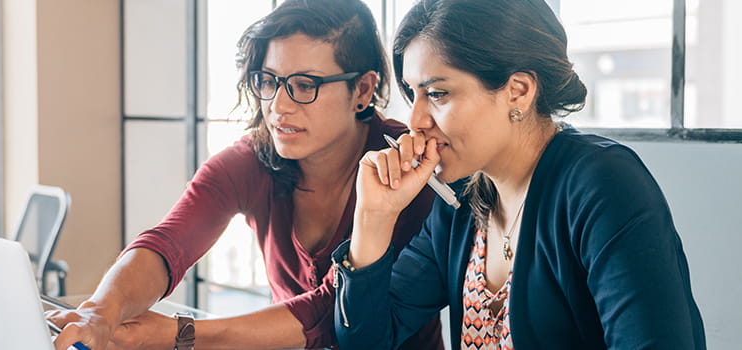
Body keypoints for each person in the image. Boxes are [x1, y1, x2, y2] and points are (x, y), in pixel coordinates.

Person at [46, 0, 445, 349]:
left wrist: (178, 335)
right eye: (269, 81)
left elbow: (330, 314)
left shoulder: (407, 166)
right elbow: (168, 242)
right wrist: (100, 311)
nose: (278, 107)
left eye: (304, 85)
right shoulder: (253, 159)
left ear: (362, 89)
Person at [332, 0, 707, 349]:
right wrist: (373, 218)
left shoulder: (604, 185)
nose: (414, 122)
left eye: (438, 94)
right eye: (413, 94)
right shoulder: (460, 199)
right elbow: (366, 341)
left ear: (519, 91)